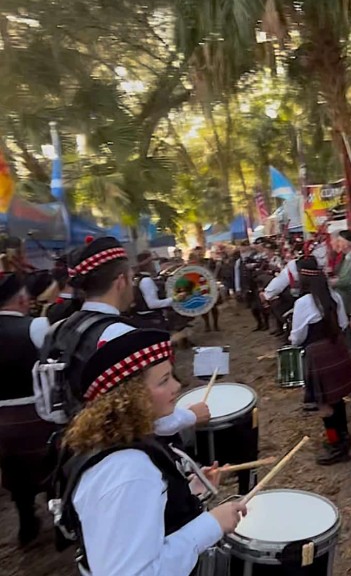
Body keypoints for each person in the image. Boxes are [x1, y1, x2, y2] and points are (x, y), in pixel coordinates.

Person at [59, 328, 247, 575]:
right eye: (164, 380)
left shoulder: (113, 438)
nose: (177, 386)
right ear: (132, 396)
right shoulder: (127, 470)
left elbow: (135, 520)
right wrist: (212, 524)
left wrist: (186, 492)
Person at [39, 236, 209, 433]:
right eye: (131, 277)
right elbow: (148, 420)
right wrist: (191, 416)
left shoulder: (56, 329)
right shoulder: (121, 335)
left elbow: (47, 407)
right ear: (121, 281)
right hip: (122, 448)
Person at [0, 271, 57, 546]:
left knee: (14, 472)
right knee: (52, 468)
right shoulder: (36, 326)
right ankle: (60, 524)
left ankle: (26, 526)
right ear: (22, 299)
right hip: (35, 411)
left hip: (1, 419)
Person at [289, 257, 351, 465]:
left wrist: (292, 340)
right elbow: (343, 323)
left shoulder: (302, 303)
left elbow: (297, 337)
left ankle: (336, 445)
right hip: (336, 349)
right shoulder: (333, 296)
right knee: (337, 400)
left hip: (317, 355)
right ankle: (344, 438)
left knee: (325, 406)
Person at [130, 251, 173, 329]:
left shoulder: (139, 278)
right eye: (153, 262)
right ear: (148, 264)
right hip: (152, 320)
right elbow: (152, 304)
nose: (155, 264)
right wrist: (174, 300)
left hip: (145, 319)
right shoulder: (146, 280)